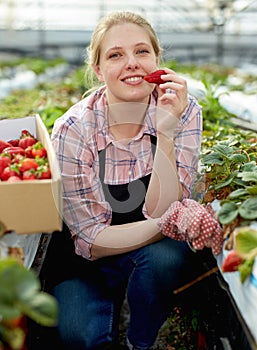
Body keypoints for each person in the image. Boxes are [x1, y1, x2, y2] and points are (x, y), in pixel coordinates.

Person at [42, 10, 206, 350]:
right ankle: (106, 302)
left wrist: (165, 131)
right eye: (116, 55)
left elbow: (164, 204)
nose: (132, 62)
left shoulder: (184, 111)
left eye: (142, 51)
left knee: (167, 258)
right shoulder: (74, 128)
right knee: (81, 337)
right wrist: (171, 220)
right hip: (85, 260)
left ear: (158, 60)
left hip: (149, 248)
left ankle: (140, 340)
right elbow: (90, 240)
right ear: (99, 70)